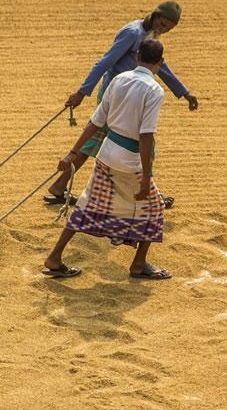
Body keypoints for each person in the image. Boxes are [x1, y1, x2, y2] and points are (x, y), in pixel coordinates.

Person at [43, 1, 197, 208]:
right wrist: (81, 92)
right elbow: (105, 62)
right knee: (140, 142)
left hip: (126, 94)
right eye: (162, 24)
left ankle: (59, 185)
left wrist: (183, 92)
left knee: (95, 140)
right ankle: (151, 194)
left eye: (167, 29)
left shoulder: (150, 36)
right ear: (155, 15)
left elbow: (160, 64)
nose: (162, 30)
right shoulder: (132, 33)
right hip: (115, 94)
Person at [42, 39, 172, 281]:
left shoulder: (118, 80)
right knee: (155, 208)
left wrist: (73, 152)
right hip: (130, 160)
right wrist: (146, 175)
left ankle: (55, 257)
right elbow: (145, 135)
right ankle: (138, 263)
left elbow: (96, 121)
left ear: (137, 57)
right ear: (160, 63)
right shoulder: (155, 90)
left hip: (106, 153)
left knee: (86, 203)